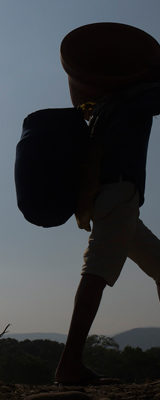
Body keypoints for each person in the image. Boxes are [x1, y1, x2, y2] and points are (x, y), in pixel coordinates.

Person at [55, 83, 160, 385]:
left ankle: (70, 363)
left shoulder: (104, 107)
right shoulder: (131, 100)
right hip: (119, 193)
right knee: (97, 271)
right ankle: (69, 364)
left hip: (115, 197)